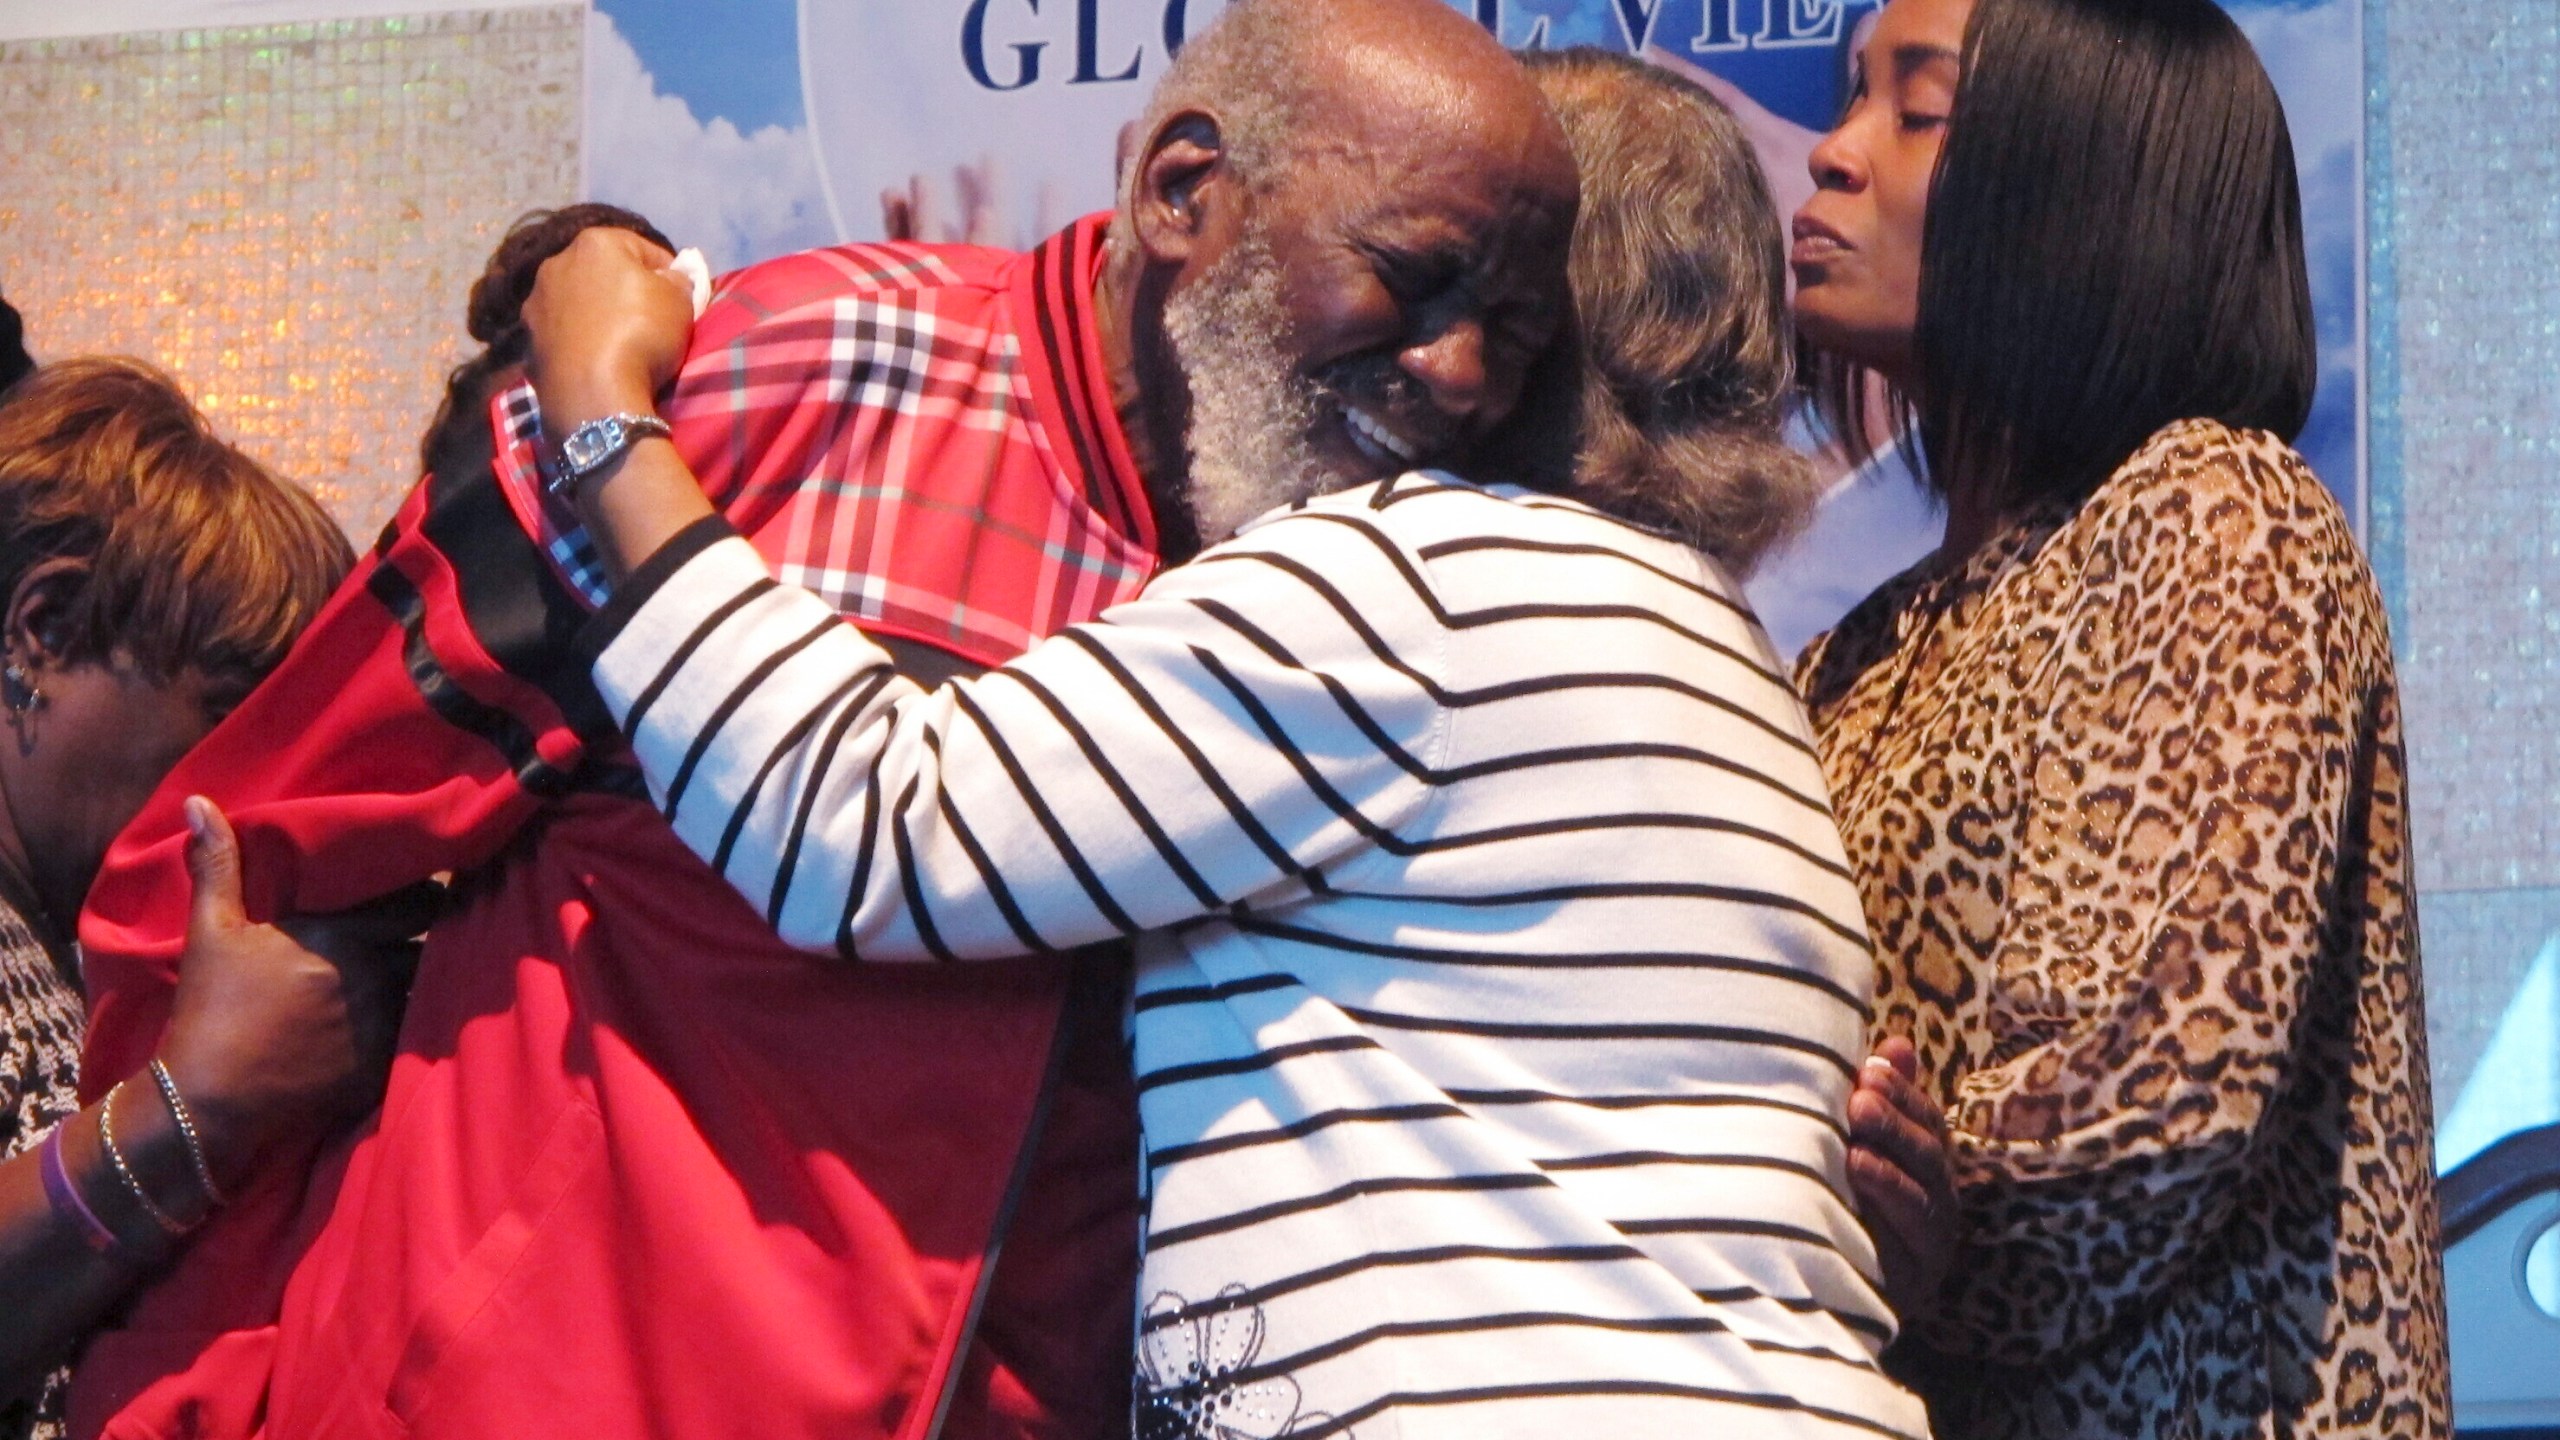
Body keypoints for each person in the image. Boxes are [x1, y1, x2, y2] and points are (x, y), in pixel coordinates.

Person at [68, 4, 1581, 1436]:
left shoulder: (1403, 607)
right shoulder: (769, 381)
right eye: (1414, 276)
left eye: (1512, 331)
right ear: (1184, 190)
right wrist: (192, 1399)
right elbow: (247, 859)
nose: (1459, 375)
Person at [518, 30, 1927, 1439]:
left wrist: (604, 426)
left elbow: (867, 828)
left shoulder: (1410, 585)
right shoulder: (1700, 634)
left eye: (1495, 303)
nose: (1450, 367)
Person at [1785, 0, 2450, 1434]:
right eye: (1850, 101)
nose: (1831, 158)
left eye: (1918, 112)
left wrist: (1880, 1231)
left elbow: (2162, 1093)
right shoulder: (1855, 649)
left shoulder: (2216, 512)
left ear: (2083, 181)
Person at [0, 358, 411, 1440]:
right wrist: (204, 1103)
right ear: (43, 630)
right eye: (229, 723)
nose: (253, 787)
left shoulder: (57, 937)